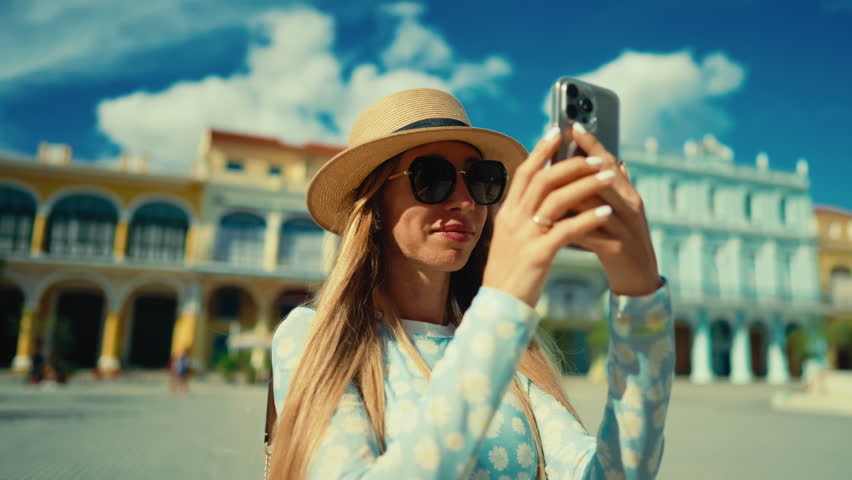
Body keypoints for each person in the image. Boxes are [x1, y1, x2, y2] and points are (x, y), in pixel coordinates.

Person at [269, 88, 673, 479]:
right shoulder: (314, 335)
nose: (465, 200)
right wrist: (502, 306)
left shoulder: (515, 353)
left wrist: (639, 298)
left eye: (483, 180)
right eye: (432, 177)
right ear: (375, 205)